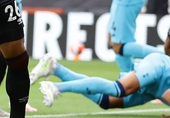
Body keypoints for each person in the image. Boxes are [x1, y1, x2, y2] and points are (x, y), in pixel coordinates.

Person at [35, 38, 170, 110]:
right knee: (118, 89)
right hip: (160, 68)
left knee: (106, 101)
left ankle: (55, 67)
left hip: (157, 88)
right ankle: (56, 87)